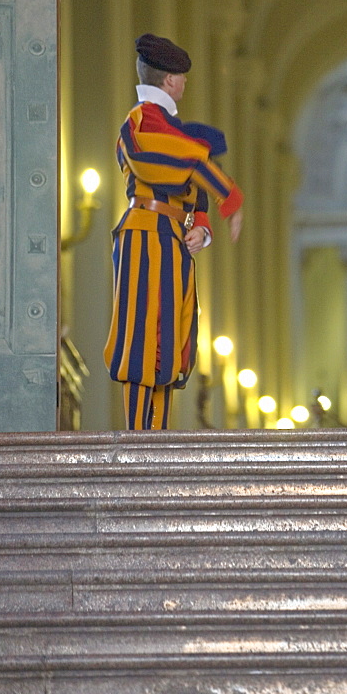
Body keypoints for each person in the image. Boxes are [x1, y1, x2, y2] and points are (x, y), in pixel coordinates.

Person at [104, 33, 244, 430]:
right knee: (140, 335)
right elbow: (175, 165)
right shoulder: (143, 119)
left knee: (168, 337)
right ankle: (136, 439)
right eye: (181, 77)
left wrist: (201, 225)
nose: (184, 84)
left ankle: (158, 439)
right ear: (169, 80)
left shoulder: (170, 127)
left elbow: (187, 179)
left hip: (170, 237)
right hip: (145, 233)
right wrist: (227, 195)